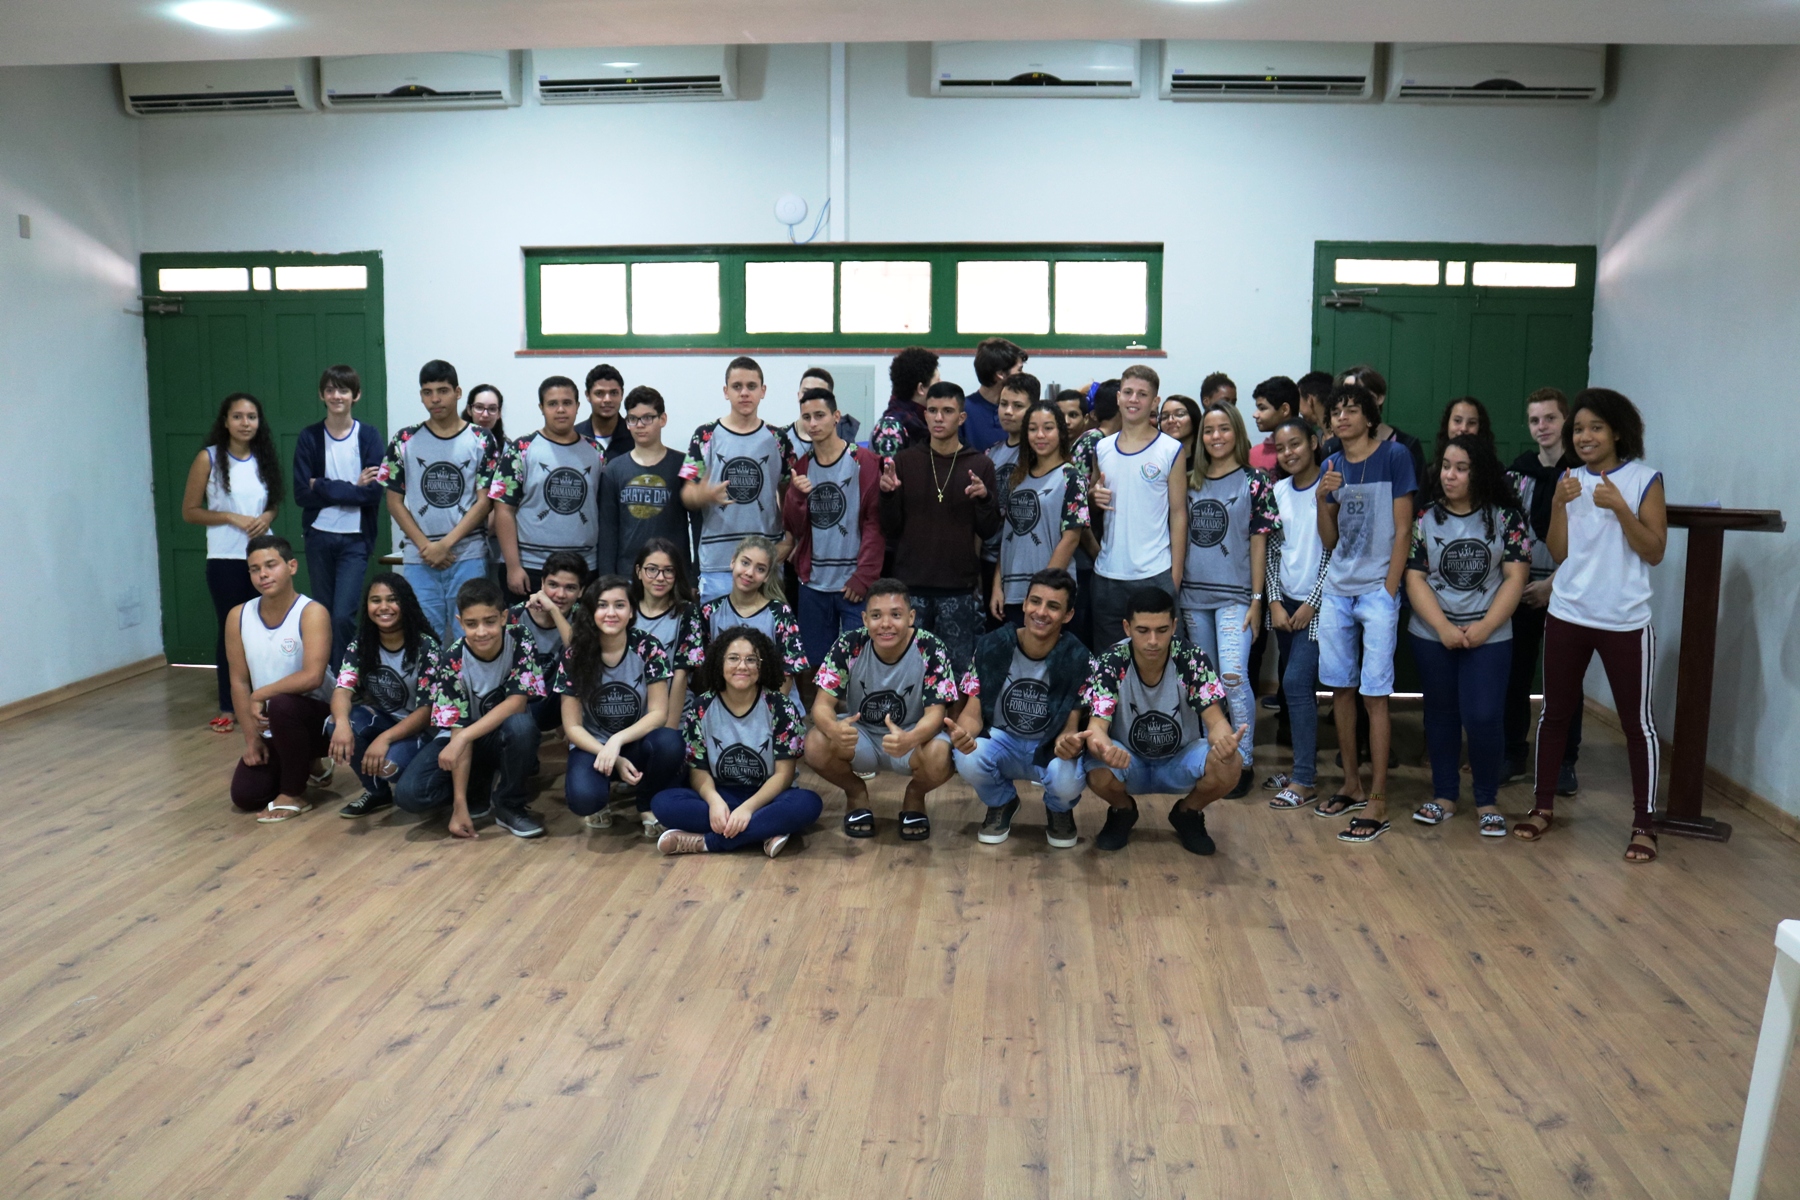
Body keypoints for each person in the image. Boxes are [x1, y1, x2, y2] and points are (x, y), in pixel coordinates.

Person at [1516, 388, 1666, 864]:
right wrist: (1560, 505)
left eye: (1595, 428)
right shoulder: (1569, 479)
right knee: (1555, 713)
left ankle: (1644, 824)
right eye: (1578, 429)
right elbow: (1560, 552)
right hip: (1568, 614)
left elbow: (1654, 551)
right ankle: (1542, 806)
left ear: (1617, 432)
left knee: (1637, 724)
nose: (1584, 436)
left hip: (1625, 620)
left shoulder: (1644, 480)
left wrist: (1620, 507)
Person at [1405, 435, 1530, 837]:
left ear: (1481, 472)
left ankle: (1486, 800)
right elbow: (1414, 578)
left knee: (1484, 716)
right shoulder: (1424, 517)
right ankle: (1444, 796)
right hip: (1432, 633)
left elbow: (1515, 578)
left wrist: (1485, 627)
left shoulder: (1507, 518)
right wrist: (1442, 627)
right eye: (1446, 466)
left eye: (1461, 468)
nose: (1450, 475)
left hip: (1489, 634)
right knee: (1440, 714)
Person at [1316, 382, 1418, 842]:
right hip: (1338, 589)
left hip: (1377, 590)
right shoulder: (1331, 464)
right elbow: (1329, 540)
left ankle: (1378, 795)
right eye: (1336, 411)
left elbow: (1403, 530)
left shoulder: (1394, 456)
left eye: (1351, 409)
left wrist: (1389, 588)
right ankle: (1351, 783)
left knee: (1376, 694)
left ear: (1370, 415)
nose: (1342, 417)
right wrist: (1322, 499)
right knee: (1340, 689)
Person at [1081, 587, 1246, 855]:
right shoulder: (1111, 662)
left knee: (1232, 763)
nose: (1153, 641)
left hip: (1180, 759)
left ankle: (1188, 813)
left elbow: (1216, 722)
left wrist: (1226, 743)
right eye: (1143, 630)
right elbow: (1096, 727)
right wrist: (1104, 749)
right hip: (1129, 760)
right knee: (1096, 767)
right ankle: (1122, 810)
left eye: (1162, 630)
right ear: (1127, 627)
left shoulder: (1192, 658)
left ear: (1174, 626)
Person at [393, 576, 549, 839]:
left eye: (489, 621)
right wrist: (459, 805)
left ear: (504, 617)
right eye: (472, 624)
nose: (481, 631)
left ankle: (509, 805)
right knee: (410, 795)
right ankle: (477, 784)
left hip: (501, 734)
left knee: (522, 725)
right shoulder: (452, 660)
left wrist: (464, 736)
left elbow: (516, 703)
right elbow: (457, 730)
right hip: (464, 738)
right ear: (460, 622)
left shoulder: (520, 638)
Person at [805, 580, 960, 841]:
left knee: (941, 755)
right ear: (865, 619)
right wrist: (833, 729)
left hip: (912, 735)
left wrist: (910, 738)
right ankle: (855, 793)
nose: (885, 624)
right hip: (861, 735)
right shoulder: (849, 644)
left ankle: (915, 796)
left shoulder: (931, 647)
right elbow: (821, 705)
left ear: (911, 617)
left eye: (896, 615)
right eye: (876, 616)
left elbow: (936, 713)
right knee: (815, 743)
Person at [948, 569, 1091, 848]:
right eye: (1035, 601)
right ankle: (1002, 802)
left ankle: (1058, 809)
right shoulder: (992, 645)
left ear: (1068, 615)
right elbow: (972, 714)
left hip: (1047, 745)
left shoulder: (1078, 656)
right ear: (1024, 604)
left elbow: (1070, 727)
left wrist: (1069, 743)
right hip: (1004, 741)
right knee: (967, 757)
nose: (1041, 612)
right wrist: (963, 734)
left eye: (1053, 606)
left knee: (1067, 782)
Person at [651, 627, 823, 857]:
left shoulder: (781, 707)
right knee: (662, 803)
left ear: (762, 666)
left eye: (751, 660)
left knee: (807, 803)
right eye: (733, 658)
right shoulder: (701, 707)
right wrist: (714, 802)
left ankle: (708, 842)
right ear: (719, 663)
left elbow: (784, 775)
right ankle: (765, 829)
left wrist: (748, 809)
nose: (742, 666)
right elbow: (698, 771)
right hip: (721, 794)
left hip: (768, 797)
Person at [1180, 403, 1279, 800]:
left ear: (1237, 432)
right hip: (1193, 597)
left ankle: (1244, 761)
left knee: (1234, 679)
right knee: (1206, 684)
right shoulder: (1189, 480)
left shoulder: (1255, 481)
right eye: (1209, 430)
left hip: (1236, 597)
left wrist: (1257, 599)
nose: (1216, 436)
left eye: (1223, 429)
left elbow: (1259, 543)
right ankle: (1213, 757)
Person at [877, 381, 1001, 674]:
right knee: (909, 669)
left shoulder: (979, 465)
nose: (938, 417)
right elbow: (890, 529)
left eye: (947, 411)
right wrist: (887, 495)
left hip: (958, 588)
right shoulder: (905, 462)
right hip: (911, 585)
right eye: (932, 410)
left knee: (956, 672)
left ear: (961, 417)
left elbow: (989, 530)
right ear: (925, 415)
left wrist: (985, 499)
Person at [382, 360, 504, 641]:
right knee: (424, 636)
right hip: (419, 556)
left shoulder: (481, 438)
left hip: (467, 553)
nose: (435, 399)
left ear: (458, 393)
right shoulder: (404, 439)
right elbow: (394, 502)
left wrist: (445, 545)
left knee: (470, 635)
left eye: (443, 391)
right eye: (427, 392)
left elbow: (485, 502)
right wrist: (427, 547)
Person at [183, 392, 283, 730]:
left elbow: (272, 503)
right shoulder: (208, 458)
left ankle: (267, 701)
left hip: (265, 557)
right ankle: (229, 705)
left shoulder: (264, 456)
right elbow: (189, 511)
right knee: (233, 631)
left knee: (267, 630)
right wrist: (230, 517)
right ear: (225, 421)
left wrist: (267, 516)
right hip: (226, 559)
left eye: (251, 417)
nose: (245, 423)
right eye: (237, 416)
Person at [557, 575, 685, 835]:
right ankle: (600, 798)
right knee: (584, 800)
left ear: (632, 611)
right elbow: (572, 727)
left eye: (619, 605)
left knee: (670, 742)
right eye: (602, 605)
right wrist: (611, 756)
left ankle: (646, 803)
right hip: (592, 747)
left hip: (636, 742)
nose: (611, 613)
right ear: (591, 611)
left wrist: (617, 741)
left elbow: (659, 713)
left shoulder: (648, 646)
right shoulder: (574, 654)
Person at [224, 535, 334, 822]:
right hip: (272, 724)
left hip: (319, 720)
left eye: (271, 565)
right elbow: (238, 681)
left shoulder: (312, 612)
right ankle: (307, 764)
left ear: (292, 566)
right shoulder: (238, 616)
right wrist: (252, 738)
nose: (263, 574)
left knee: (282, 704)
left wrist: (261, 694)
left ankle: (294, 793)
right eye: (255, 569)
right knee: (247, 795)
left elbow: (312, 677)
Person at [1505, 387, 1583, 788]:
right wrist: (1517, 582)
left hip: (1566, 589)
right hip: (1520, 588)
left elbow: (1589, 541)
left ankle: (1563, 762)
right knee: (1515, 676)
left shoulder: (1582, 476)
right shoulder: (1516, 474)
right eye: (1535, 420)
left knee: (1564, 680)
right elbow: (1506, 532)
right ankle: (1512, 754)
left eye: (1550, 418)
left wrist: (1553, 584)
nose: (1542, 427)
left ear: (1566, 421)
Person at [781, 387, 884, 676]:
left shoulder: (864, 461)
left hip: (853, 584)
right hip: (813, 583)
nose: (813, 423)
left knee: (858, 665)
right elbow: (793, 528)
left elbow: (875, 524)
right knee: (814, 665)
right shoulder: (801, 467)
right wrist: (796, 496)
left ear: (836, 416)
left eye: (819, 415)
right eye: (806, 418)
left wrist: (864, 576)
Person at [680, 356, 796, 602]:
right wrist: (703, 494)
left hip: (765, 561)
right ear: (726, 391)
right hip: (718, 562)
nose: (744, 393)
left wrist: (789, 539)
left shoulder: (779, 439)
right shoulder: (704, 435)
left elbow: (789, 494)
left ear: (763, 391)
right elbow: (686, 493)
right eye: (737, 386)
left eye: (751, 386)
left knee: (767, 627)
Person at [293, 364, 385, 668]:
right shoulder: (309, 437)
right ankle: (327, 677)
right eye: (330, 390)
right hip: (319, 536)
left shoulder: (369, 435)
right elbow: (301, 494)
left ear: (355, 395)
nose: (336, 396)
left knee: (343, 615)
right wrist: (352, 487)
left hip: (355, 539)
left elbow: (373, 494)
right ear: (322, 395)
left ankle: (345, 678)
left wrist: (321, 485)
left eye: (343, 390)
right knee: (322, 612)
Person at [326, 572, 440, 819]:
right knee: (335, 723)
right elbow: (342, 689)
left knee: (390, 768)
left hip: (424, 730)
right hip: (387, 721)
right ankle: (376, 793)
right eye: (376, 600)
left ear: (405, 603)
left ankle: (439, 779)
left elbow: (427, 711)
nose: (384, 607)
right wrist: (343, 724)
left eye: (392, 599)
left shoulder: (425, 647)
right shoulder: (361, 644)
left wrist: (384, 739)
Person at [1089, 366, 1187, 648]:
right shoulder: (1102, 448)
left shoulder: (1170, 449)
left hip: (1154, 573)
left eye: (1142, 394)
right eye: (1128, 392)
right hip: (1107, 575)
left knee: (1162, 659)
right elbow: (1092, 498)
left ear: (1155, 402)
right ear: (1118, 397)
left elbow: (1179, 515)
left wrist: (1175, 576)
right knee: (1109, 662)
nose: (1134, 399)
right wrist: (1094, 497)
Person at [1263, 417, 1330, 811]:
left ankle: (1305, 780)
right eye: (1281, 447)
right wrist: (1274, 600)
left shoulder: (1330, 486)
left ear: (1314, 443)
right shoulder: (1278, 491)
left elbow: (1336, 550)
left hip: (1318, 608)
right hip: (1285, 606)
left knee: (1295, 684)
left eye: (1296, 444)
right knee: (1296, 690)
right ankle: (1299, 769)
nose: (1289, 453)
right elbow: (1272, 550)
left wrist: (1312, 603)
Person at [671, 535, 809, 718]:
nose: (749, 573)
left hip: (774, 709)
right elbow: (699, 670)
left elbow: (788, 674)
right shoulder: (709, 612)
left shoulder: (780, 613)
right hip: (727, 707)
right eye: (745, 563)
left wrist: (769, 717)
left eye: (760, 569)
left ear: (767, 576)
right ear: (732, 562)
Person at [493, 376, 601, 604]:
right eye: (552, 403)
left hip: (583, 567)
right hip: (530, 567)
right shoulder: (521, 449)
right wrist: (513, 566)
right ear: (541, 407)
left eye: (567, 403)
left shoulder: (596, 451)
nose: (560, 409)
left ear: (577, 406)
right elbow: (503, 510)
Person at [992, 401, 1087, 627]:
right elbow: (1009, 536)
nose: (1040, 435)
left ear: (1060, 432)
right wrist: (997, 585)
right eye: (1033, 429)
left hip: (1051, 596)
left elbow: (1071, 538)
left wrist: (1041, 592)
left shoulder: (1071, 477)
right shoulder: (1017, 477)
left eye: (1048, 428)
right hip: (1013, 592)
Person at [594, 385, 693, 579]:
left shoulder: (683, 464)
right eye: (633, 419)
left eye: (647, 418)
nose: (640, 425)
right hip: (628, 574)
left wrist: (692, 577)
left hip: (671, 574)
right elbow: (608, 530)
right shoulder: (614, 469)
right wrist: (608, 580)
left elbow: (697, 522)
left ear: (662, 419)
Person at [507, 549, 587, 737]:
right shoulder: (515, 616)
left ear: (581, 591)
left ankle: (573, 732)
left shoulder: (583, 616)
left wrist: (553, 611)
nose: (560, 594)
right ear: (542, 583)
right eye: (553, 585)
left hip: (559, 700)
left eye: (570, 588)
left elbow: (580, 655)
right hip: (519, 702)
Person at [981, 373, 1039, 622]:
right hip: (989, 556)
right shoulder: (991, 453)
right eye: (1003, 404)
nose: (1008, 411)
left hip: (1023, 561)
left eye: (1017, 406)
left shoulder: (1038, 456)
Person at [1325, 366, 1427, 487]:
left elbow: (1419, 493)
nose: (1351, 399)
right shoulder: (1333, 448)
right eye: (1346, 392)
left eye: (1360, 392)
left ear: (1379, 398)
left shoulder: (1405, 447)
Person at [464, 384, 508, 579]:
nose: (485, 414)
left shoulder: (510, 451)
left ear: (499, 413)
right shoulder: (454, 445)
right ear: (469, 409)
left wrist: (484, 530)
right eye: (479, 407)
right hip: (456, 537)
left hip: (495, 539)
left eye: (492, 409)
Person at [871, 347, 940, 461]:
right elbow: (888, 471)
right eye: (937, 381)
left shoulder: (925, 420)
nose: (941, 384)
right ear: (921, 388)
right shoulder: (891, 427)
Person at [779, 367, 862, 460]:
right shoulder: (780, 437)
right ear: (798, 395)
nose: (811, 397)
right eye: (806, 392)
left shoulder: (843, 433)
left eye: (819, 393)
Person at [1424, 396, 1495, 502]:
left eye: (1471, 423)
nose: (1463, 428)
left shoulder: (1494, 472)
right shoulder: (1431, 474)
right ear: (1447, 424)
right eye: (1457, 421)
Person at [964, 337, 1027, 452]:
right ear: (1001, 374)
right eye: (1019, 370)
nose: (1023, 375)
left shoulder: (1024, 410)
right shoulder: (962, 411)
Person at [630, 538, 693, 652]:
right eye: (652, 569)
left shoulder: (687, 612)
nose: (660, 578)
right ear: (638, 571)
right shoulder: (627, 608)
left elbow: (688, 661)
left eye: (668, 570)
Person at [575, 363, 632, 461]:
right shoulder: (574, 436)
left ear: (622, 394)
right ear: (588, 395)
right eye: (599, 393)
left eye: (614, 393)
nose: (607, 399)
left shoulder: (635, 436)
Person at [1249, 376, 1299, 473]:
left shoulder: (1308, 452)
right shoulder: (1253, 455)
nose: (1255, 415)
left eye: (1262, 408)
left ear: (1284, 409)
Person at [1157, 394, 1202, 475]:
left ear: (1194, 417)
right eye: (1164, 417)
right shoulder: (1157, 460)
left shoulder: (1209, 457)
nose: (1170, 420)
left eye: (1179, 414)